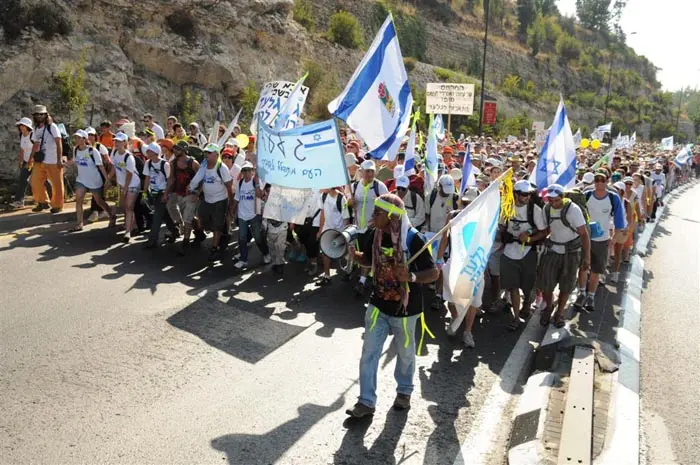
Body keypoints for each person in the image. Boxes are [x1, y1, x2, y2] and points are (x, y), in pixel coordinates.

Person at [345, 194, 439, 418]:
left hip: (405, 310)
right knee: (369, 353)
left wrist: (412, 277)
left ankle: (404, 391)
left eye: (378, 212)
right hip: (378, 304)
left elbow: (434, 273)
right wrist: (356, 257)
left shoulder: (412, 240)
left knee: (406, 354)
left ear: (391, 216)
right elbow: (369, 260)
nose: (373, 216)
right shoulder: (374, 234)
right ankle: (366, 402)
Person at [538, 184, 591, 328]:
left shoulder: (573, 210)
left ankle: (559, 313)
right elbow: (545, 230)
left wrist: (587, 257)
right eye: (551, 200)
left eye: (556, 200)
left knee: (566, 286)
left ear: (562, 197)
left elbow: (584, 234)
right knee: (546, 284)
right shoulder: (547, 209)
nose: (554, 203)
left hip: (571, 253)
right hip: (552, 250)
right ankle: (549, 306)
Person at [499, 180, 547, 330]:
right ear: (516, 194)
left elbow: (544, 231)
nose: (527, 197)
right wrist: (503, 234)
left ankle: (526, 305)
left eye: (529, 194)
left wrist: (530, 237)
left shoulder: (535, 210)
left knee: (527, 287)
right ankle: (515, 317)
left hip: (528, 253)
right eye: (524, 194)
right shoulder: (507, 207)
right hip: (508, 252)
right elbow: (501, 224)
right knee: (513, 286)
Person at [347, 160, 389, 294]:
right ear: (361, 172)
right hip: (359, 227)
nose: (370, 174)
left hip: (374, 229)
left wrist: (379, 221)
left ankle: (364, 281)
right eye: (368, 171)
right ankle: (365, 279)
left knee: (373, 254)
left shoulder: (380, 186)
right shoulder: (354, 187)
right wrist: (350, 202)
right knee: (362, 255)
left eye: (372, 171)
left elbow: (387, 206)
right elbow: (348, 203)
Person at [188, 144, 234, 261]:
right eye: (206, 153)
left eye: (209, 153)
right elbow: (200, 181)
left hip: (220, 201)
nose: (206, 155)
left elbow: (229, 186)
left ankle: (214, 248)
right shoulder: (204, 166)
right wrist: (195, 190)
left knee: (217, 225)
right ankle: (215, 233)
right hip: (207, 199)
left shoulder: (222, 168)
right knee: (201, 218)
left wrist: (231, 204)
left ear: (216, 155)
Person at [68, 130, 114, 231]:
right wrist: (64, 164)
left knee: (99, 202)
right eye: (76, 137)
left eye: (79, 138)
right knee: (78, 200)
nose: (77, 139)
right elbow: (74, 160)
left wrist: (107, 180)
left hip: (94, 180)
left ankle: (111, 215)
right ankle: (79, 224)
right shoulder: (75, 149)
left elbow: (101, 166)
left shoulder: (93, 151)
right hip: (81, 180)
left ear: (84, 139)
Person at [231, 161, 270, 269]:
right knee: (242, 238)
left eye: (249, 170)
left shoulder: (256, 182)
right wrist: (232, 211)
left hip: (254, 215)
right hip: (242, 215)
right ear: (242, 172)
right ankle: (243, 260)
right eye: (244, 170)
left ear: (252, 171)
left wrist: (257, 183)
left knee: (258, 238)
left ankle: (266, 253)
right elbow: (237, 198)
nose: (247, 172)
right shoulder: (240, 183)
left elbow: (259, 195)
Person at [165, 141, 201, 254]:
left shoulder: (193, 163)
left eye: (178, 149)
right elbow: (171, 178)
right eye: (175, 148)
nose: (175, 151)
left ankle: (185, 241)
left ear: (185, 150)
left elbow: (201, 179)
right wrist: (166, 192)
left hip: (191, 194)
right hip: (179, 194)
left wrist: (197, 193)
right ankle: (200, 232)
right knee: (187, 218)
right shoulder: (173, 163)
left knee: (187, 217)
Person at [29, 105, 64, 213]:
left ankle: (57, 205)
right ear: (34, 116)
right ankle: (43, 202)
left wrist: (59, 159)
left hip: (53, 160)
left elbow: (59, 143)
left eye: (41, 114)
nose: (39, 116)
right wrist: (30, 158)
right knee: (34, 181)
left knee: (56, 184)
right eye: (37, 114)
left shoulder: (52, 127)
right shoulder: (35, 129)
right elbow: (35, 145)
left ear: (45, 115)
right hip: (40, 160)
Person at [143, 142, 178, 248]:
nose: (147, 153)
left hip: (162, 193)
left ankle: (152, 240)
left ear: (154, 152)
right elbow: (147, 178)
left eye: (149, 151)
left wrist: (166, 194)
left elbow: (170, 180)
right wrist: (144, 193)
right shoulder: (148, 163)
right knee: (164, 215)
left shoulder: (165, 164)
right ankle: (175, 231)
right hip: (153, 192)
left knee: (157, 217)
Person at [109, 132, 142, 243]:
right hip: (122, 184)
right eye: (115, 141)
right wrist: (109, 179)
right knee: (125, 206)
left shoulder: (129, 157)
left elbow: (129, 174)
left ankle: (128, 232)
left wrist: (125, 188)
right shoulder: (115, 153)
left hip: (132, 184)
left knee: (128, 207)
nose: (116, 143)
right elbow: (114, 166)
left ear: (124, 142)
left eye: (119, 141)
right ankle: (133, 225)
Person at [317, 187, 351, 285]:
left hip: (339, 230)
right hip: (327, 229)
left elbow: (346, 218)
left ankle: (348, 271)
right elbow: (322, 213)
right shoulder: (323, 196)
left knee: (345, 253)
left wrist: (345, 235)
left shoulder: (341, 198)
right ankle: (327, 276)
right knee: (325, 252)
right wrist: (320, 230)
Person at [11, 117, 34, 209]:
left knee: (42, 181)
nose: (21, 127)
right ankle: (19, 201)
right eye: (20, 125)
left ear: (27, 126)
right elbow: (22, 150)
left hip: (34, 162)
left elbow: (35, 149)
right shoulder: (22, 135)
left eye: (22, 125)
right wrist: (20, 161)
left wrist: (30, 161)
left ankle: (52, 197)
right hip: (26, 162)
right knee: (22, 180)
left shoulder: (32, 135)